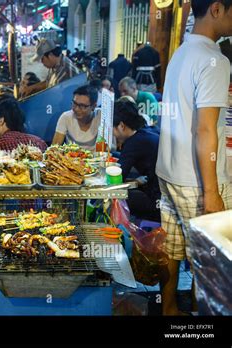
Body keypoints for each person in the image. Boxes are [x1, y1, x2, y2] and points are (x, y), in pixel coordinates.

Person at [156, 0, 232, 316]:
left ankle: (169, 310)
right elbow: (204, 130)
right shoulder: (213, 60)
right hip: (198, 181)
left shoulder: (181, 53)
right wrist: (212, 194)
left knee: (172, 249)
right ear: (217, 9)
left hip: (171, 172)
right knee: (211, 262)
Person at [113, 100, 160, 221]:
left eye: (112, 128)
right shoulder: (149, 130)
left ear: (121, 126)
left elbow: (117, 180)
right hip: (163, 191)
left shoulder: (133, 143)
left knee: (114, 197)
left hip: (157, 202)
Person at [52, 85, 101, 151]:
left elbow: (106, 148)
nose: (77, 109)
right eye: (74, 104)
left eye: (82, 106)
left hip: (96, 159)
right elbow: (54, 148)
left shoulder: (101, 116)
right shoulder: (66, 117)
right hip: (71, 159)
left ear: (93, 106)